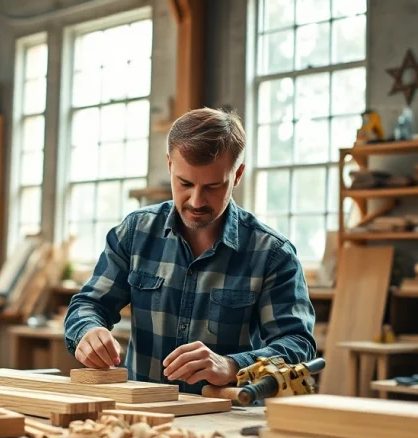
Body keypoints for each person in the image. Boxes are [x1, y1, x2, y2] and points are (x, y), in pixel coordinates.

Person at [63, 107, 317, 394]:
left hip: (228, 419)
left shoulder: (272, 254)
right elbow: (88, 305)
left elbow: (298, 345)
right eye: (185, 183)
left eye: (212, 186)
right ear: (170, 165)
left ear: (237, 175)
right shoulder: (135, 233)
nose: (196, 201)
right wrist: (87, 331)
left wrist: (232, 366)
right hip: (144, 415)